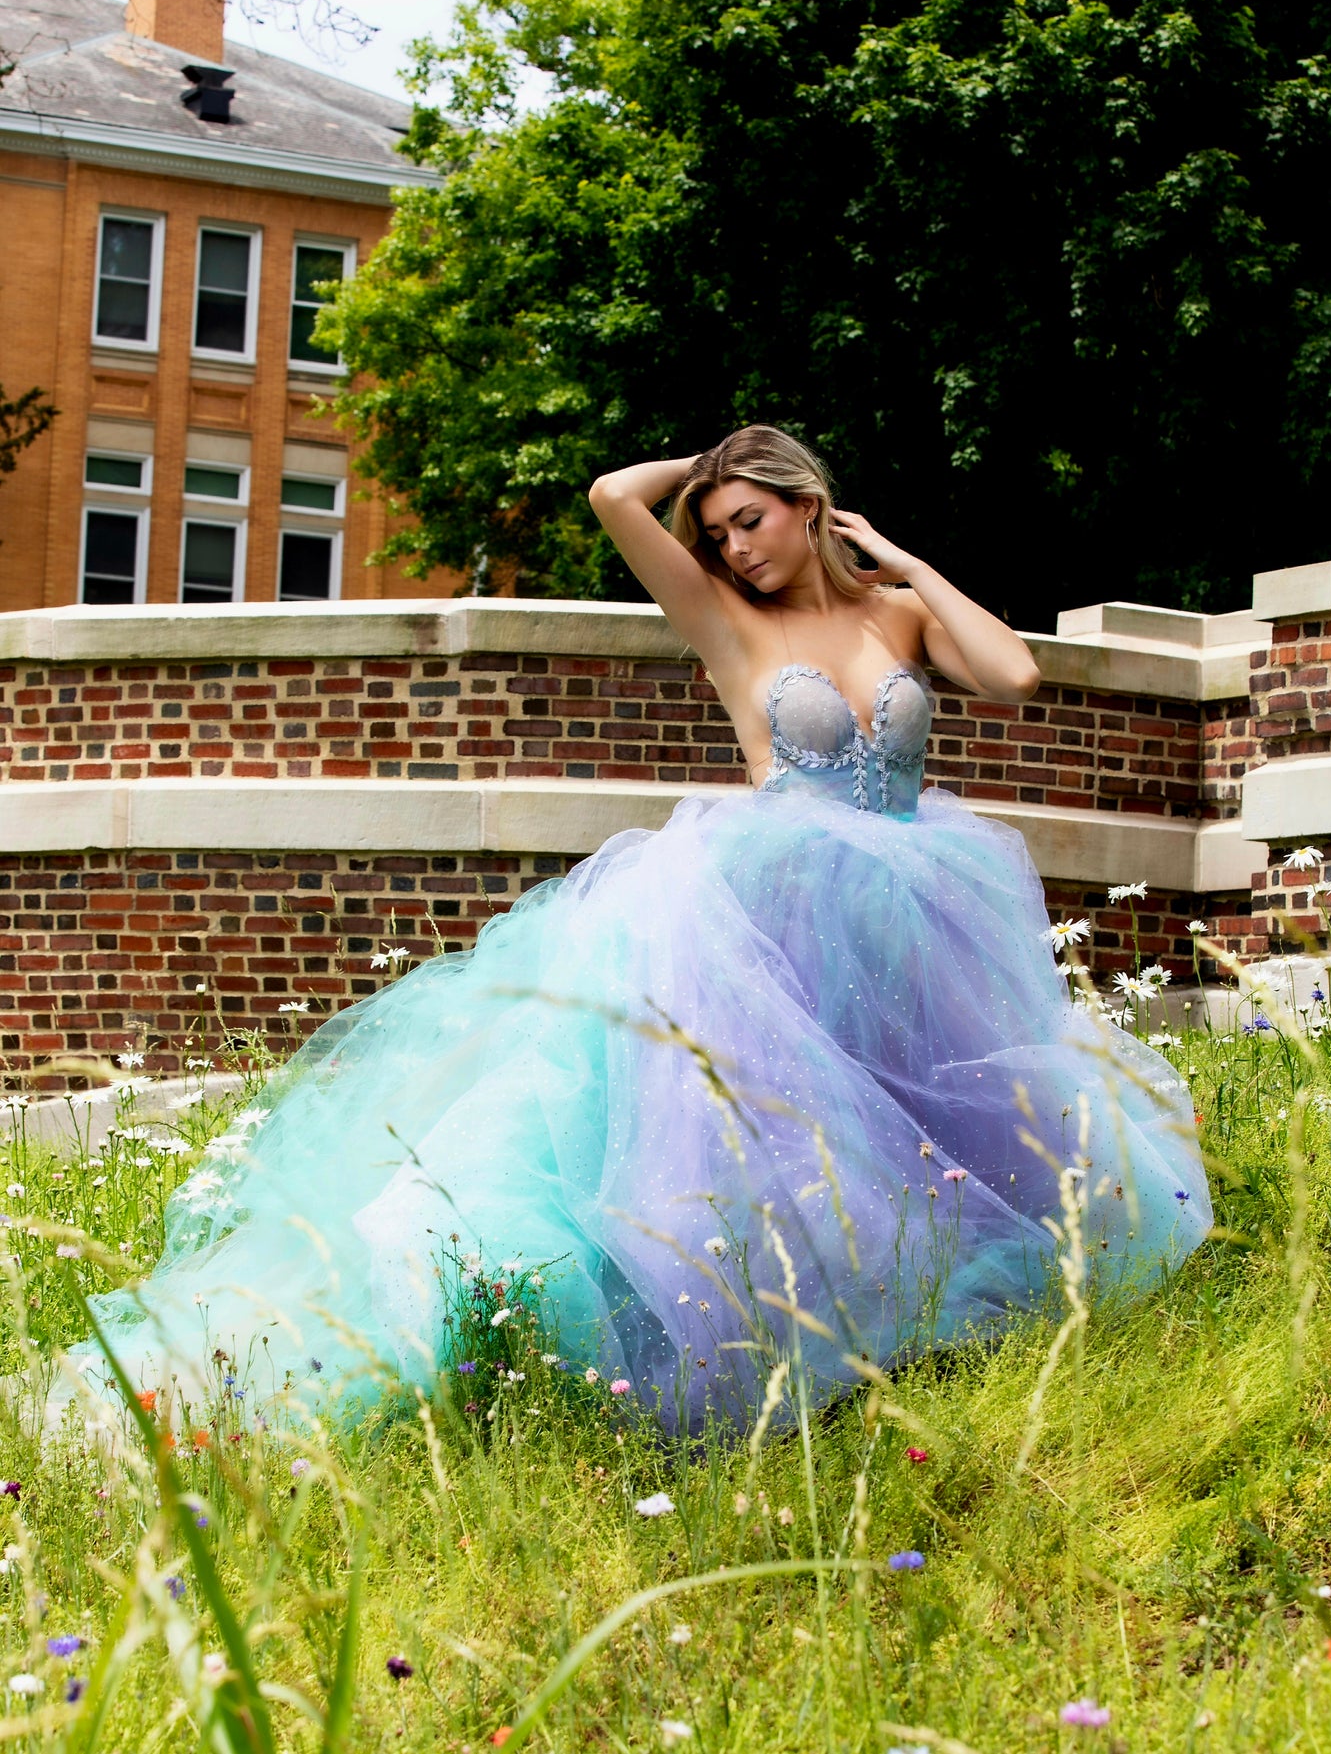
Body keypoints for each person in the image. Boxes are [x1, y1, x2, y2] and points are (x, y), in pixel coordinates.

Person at [69, 426, 1210, 1434]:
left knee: (917, 1115)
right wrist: (710, 461)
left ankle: (925, 1301)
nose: (735, 549)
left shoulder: (897, 613)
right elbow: (615, 495)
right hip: (773, 904)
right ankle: (751, 1330)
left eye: (750, 520)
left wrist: (901, 560)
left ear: (807, 505)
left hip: (912, 901)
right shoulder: (724, 618)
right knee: (776, 1128)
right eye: (717, 533)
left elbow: (1012, 672)